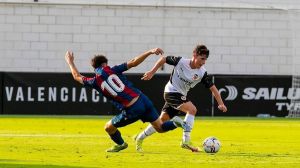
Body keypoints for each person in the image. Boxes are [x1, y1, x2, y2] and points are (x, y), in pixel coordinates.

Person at [65, 48, 187, 153]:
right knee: (160, 128)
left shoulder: (94, 81)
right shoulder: (113, 70)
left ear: (95, 67)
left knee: (108, 127)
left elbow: (77, 76)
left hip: (133, 108)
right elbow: (134, 62)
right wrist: (150, 51)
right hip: (143, 99)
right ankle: (175, 122)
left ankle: (121, 144)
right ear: (104, 64)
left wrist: (70, 62)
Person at [135, 44, 227, 152]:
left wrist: (221, 103)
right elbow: (163, 59)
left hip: (180, 96)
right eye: (202, 58)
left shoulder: (202, 73)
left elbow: (213, 89)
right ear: (195, 55)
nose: (203, 62)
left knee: (161, 123)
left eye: (205, 60)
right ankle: (185, 141)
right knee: (192, 109)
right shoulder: (181, 61)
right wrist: (152, 72)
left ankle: (139, 138)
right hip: (170, 91)